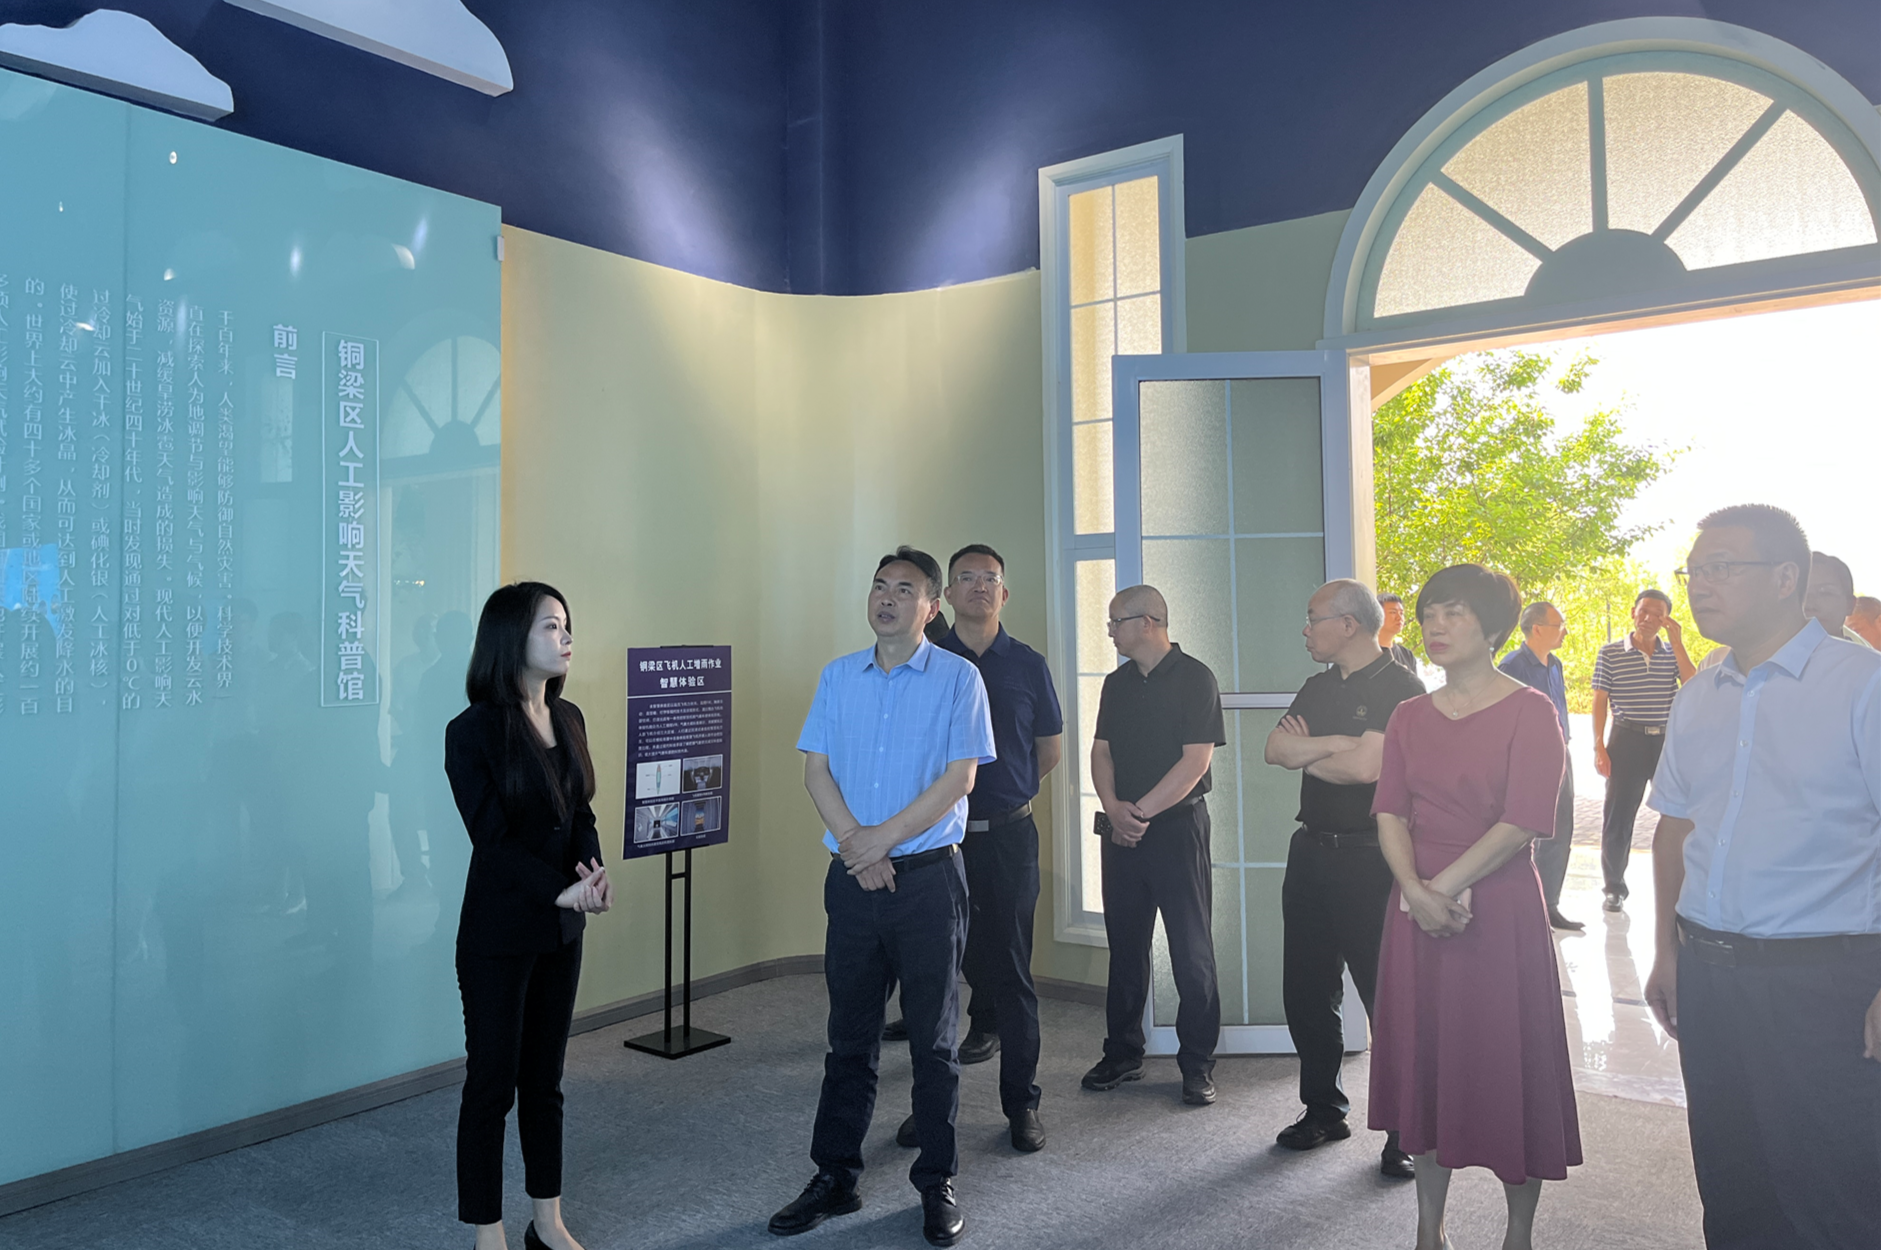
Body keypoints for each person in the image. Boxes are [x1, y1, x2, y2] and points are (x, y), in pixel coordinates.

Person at [1642, 505, 1881, 1249]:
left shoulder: (1862, 684)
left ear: (1784, 578)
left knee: (1833, 1197)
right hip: (1709, 980)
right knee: (1733, 1189)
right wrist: (1667, 950)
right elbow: (1674, 830)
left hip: (1824, 983)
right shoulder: (1697, 694)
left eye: (1720, 568)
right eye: (1693, 571)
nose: (1698, 586)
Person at [769, 547, 994, 1247]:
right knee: (850, 1038)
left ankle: (936, 1181)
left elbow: (959, 779)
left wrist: (878, 843)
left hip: (927, 882)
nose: (887, 598)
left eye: (904, 589)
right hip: (853, 882)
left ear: (932, 606)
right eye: (879, 587)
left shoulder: (958, 678)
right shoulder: (839, 676)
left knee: (933, 1041)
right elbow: (816, 770)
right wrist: (854, 845)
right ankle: (835, 1175)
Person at [1369, 564, 1579, 1250]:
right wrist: (1415, 890)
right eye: (1429, 613)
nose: (1435, 625)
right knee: (1427, 1064)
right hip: (1416, 907)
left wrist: (1441, 889)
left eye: (1453, 613)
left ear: (1492, 628)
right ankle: (1428, 1229)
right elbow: (1389, 812)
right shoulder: (1408, 715)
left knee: (1507, 1058)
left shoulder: (1530, 710)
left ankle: (1517, 1233)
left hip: (1498, 908)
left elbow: (1525, 819)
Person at [446, 582, 612, 1250]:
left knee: (545, 1082)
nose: (566, 638)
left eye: (567, 626)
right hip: (498, 933)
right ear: (511, 637)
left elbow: (580, 813)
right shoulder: (472, 731)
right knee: (492, 1084)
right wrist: (557, 891)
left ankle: (547, 1221)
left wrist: (591, 872)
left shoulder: (568, 717)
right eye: (551, 626)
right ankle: (486, 1230)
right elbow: (491, 839)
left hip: (560, 931)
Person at [889, 544, 1061, 1154]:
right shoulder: (924, 663)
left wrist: (1005, 793)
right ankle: (931, 1108)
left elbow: (1048, 749)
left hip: (1009, 838)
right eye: (966, 577)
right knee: (934, 980)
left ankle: (1022, 1105)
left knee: (1013, 975)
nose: (980, 586)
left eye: (991, 578)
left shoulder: (1028, 664)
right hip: (940, 841)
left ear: (1004, 593)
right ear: (946, 598)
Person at [1264, 579, 1423, 1178]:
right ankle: (1323, 1110)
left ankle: (1404, 1130)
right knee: (1307, 991)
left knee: (1388, 997)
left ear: (1350, 624)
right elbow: (1275, 751)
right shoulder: (1317, 685)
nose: (1305, 630)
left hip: (1372, 860)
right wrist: (1336, 744)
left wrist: (1313, 751)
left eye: (1314, 618)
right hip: (1310, 853)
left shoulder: (1402, 687)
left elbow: (1366, 768)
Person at [1083, 585, 1226, 1106]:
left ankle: (1197, 1064)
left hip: (1176, 831)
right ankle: (1123, 1053)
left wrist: (1138, 813)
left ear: (1147, 622)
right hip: (1121, 830)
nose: (1110, 631)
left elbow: (1195, 763)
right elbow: (1101, 751)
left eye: (1115, 621)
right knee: (1125, 947)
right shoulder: (1116, 684)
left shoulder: (1196, 678)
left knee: (1191, 951)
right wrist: (1114, 808)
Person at [1591, 589, 1695, 912]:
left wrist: (1678, 643)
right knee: (1619, 816)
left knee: (1679, 813)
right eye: (1644, 611)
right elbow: (1599, 700)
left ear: (1666, 619)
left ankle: (1686, 884)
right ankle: (1614, 887)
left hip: (1665, 741)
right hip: (1627, 740)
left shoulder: (1671, 653)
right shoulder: (1610, 653)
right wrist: (1599, 745)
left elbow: (1693, 684)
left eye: (1657, 614)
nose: (1649, 618)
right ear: (1633, 612)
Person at [1498, 601, 1583, 931]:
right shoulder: (1512, 666)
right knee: (1522, 830)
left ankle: (1549, 904)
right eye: (1558, 625)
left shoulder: (1555, 664)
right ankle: (1520, 904)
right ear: (1537, 629)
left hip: (1560, 754)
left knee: (1559, 829)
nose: (1565, 631)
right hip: (1526, 757)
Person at [1805, 551, 1875, 648]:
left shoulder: (1865, 657)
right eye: (1801, 593)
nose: (1809, 604)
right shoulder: (1782, 655)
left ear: (1850, 605)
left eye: (1825, 592)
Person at [1378, 593, 1418, 672]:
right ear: (1378, 615)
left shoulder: (1407, 655)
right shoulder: (1365, 653)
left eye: (1401, 613)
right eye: (1393, 612)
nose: (1399, 617)